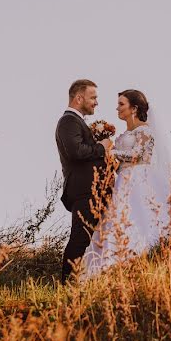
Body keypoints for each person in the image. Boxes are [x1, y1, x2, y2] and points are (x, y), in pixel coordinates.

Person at [81, 89, 171, 280]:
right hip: (122, 180)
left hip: (141, 178)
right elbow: (119, 162)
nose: (117, 108)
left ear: (134, 108)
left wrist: (110, 152)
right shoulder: (125, 134)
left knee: (143, 214)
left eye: (121, 104)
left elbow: (138, 155)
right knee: (120, 218)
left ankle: (148, 251)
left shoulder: (145, 131)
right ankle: (114, 260)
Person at [54, 79, 113, 281]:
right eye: (93, 97)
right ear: (79, 98)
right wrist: (101, 147)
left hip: (93, 190)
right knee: (79, 240)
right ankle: (66, 286)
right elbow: (76, 151)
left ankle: (83, 282)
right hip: (84, 191)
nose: (96, 102)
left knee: (91, 239)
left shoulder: (77, 122)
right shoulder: (68, 121)